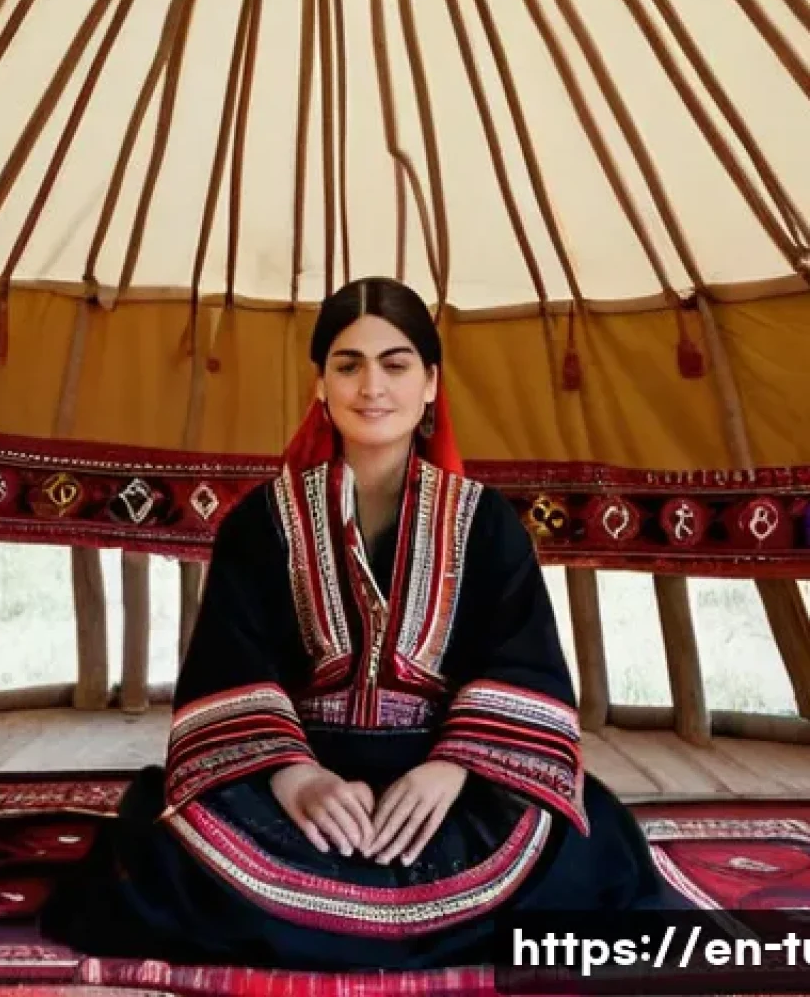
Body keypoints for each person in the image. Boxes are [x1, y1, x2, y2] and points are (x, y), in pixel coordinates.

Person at [42, 277, 687, 970]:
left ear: (431, 383)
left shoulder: (488, 524)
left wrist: (451, 766)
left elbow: (523, 664)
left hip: (443, 784)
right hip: (295, 780)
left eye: (395, 363)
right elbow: (231, 666)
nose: (371, 385)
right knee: (168, 844)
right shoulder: (260, 524)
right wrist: (295, 777)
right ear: (320, 382)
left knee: (586, 842)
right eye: (348, 364)